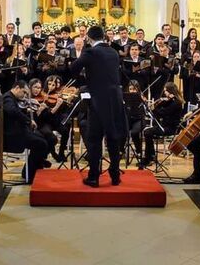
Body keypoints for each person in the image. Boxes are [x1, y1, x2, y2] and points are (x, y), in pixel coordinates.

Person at [70, 26, 127, 187]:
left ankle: (94, 176)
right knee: (113, 137)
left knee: (94, 138)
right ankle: (115, 175)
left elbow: (73, 68)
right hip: (115, 100)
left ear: (88, 37)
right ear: (104, 36)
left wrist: (83, 77)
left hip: (98, 101)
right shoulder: (113, 52)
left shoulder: (90, 52)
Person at [2, 80, 48, 183]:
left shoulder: (12, 98)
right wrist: (28, 120)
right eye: (24, 92)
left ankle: (32, 170)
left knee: (43, 139)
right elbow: (13, 111)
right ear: (17, 88)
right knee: (41, 144)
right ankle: (31, 175)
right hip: (12, 136)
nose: (25, 95)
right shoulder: (7, 98)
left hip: (18, 131)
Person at [141, 82, 184, 167]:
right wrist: (161, 101)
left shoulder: (176, 103)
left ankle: (148, 158)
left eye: (165, 91)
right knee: (147, 132)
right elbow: (160, 110)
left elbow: (162, 113)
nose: (164, 93)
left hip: (170, 128)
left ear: (170, 91)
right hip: (164, 125)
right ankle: (151, 156)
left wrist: (154, 107)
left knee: (147, 132)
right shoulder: (171, 101)